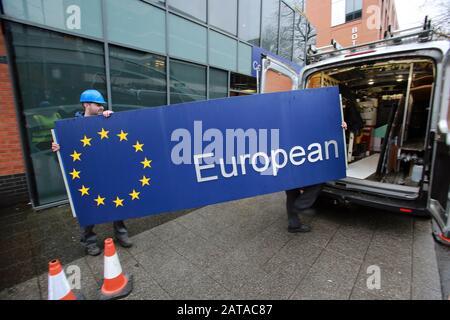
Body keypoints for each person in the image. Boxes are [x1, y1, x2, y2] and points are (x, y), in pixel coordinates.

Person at [52, 89, 133, 256]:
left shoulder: (105, 120)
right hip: (87, 173)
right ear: (86, 105)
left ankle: (121, 233)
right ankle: (89, 241)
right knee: (88, 206)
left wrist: (113, 118)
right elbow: (67, 153)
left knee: (116, 200)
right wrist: (59, 149)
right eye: (98, 105)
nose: (101, 108)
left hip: (106, 169)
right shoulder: (72, 126)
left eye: (102, 105)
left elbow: (118, 135)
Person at [285, 121, 348, 233]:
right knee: (313, 183)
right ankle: (299, 209)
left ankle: (295, 220)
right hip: (296, 153)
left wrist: (339, 126)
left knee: (293, 190)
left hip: (294, 153)